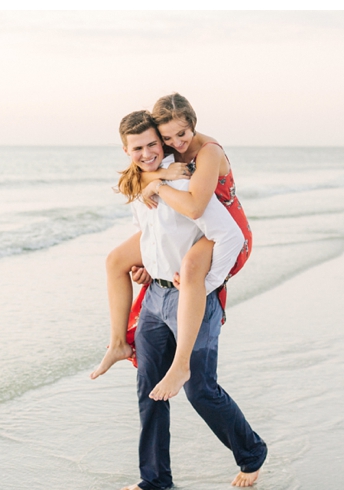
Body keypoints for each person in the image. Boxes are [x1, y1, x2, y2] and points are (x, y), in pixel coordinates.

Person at [105, 111, 267, 490]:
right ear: (126, 150)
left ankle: (251, 453)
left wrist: (210, 282)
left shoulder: (183, 176)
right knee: (149, 388)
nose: (147, 153)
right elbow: (153, 233)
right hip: (156, 297)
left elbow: (223, 232)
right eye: (138, 147)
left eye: (152, 145)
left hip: (194, 297)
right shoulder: (144, 179)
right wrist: (145, 265)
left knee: (200, 389)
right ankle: (155, 477)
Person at [93, 95, 252, 408]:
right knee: (116, 260)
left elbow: (195, 207)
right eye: (166, 138)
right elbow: (134, 179)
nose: (176, 143)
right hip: (197, 221)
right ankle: (117, 343)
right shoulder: (162, 153)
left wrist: (210, 283)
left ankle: (181, 366)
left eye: (182, 134)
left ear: (193, 124)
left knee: (192, 266)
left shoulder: (207, 152)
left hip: (224, 229)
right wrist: (152, 263)